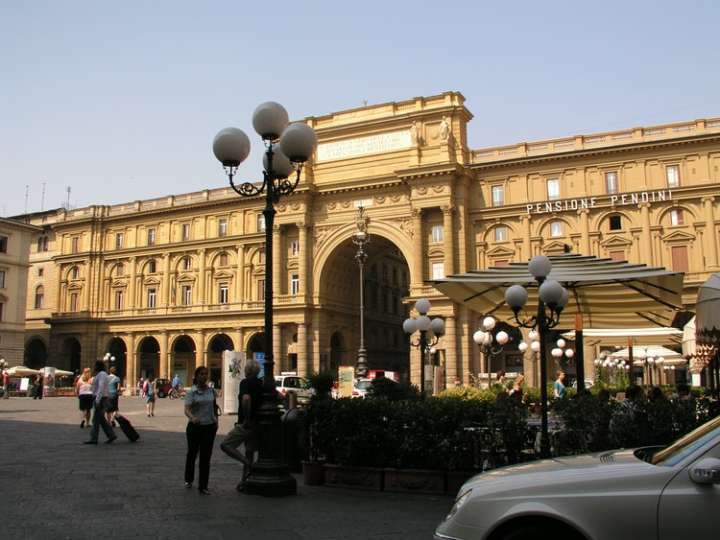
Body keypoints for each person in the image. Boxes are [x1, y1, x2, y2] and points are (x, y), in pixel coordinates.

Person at [220, 359, 263, 490]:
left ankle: (248, 464)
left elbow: (246, 398)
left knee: (226, 445)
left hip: (247, 424)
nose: (244, 370)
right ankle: (245, 481)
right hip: (258, 423)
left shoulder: (245, 382)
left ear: (248, 371)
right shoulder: (262, 383)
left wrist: (246, 418)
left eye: (245, 369)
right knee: (249, 451)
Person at [184, 366, 219, 495]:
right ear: (196, 376)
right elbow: (186, 409)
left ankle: (203, 486)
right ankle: (189, 479)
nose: (204, 376)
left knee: (206, 457)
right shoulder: (191, 392)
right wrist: (192, 417)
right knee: (192, 454)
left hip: (209, 427)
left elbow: (215, 408)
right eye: (202, 374)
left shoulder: (211, 391)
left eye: (206, 374)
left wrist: (216, 421)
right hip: (194, 427)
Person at [84, 360, 116, 445]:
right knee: (101, 419)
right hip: (101, 398)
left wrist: (97, 400)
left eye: (95, 365)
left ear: (98, 366)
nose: (94, 367)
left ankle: (94, 438)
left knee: (95, 419)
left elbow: (101, 388)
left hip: (100, 399)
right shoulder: (101, 374)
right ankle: (111, 435)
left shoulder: (102, 374)